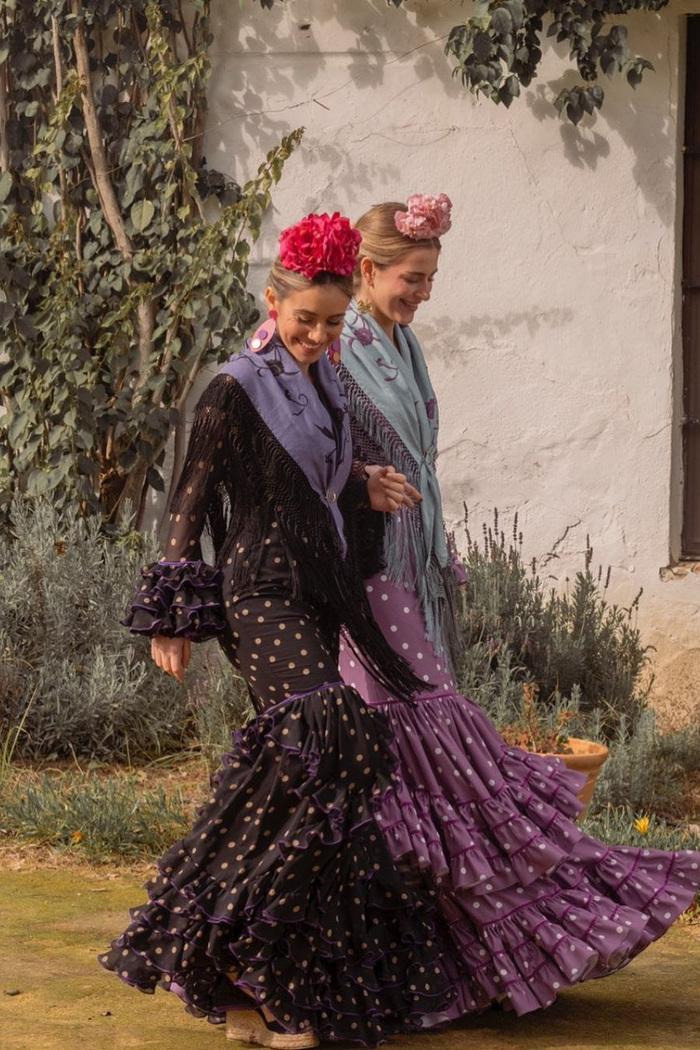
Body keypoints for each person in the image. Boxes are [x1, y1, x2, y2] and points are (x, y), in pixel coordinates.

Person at [334, 194, 700, 1019]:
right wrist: (360, 485)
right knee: (405, 761)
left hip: (416, 566)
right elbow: (313, 454)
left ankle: (458, 958)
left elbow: (418, 458)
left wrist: (438, 543)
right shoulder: (336, 346)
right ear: (367, 270)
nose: (423, 293)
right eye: (410, 279)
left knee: (435, 756)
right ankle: (402, 956)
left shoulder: (406, 343)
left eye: (430, 279)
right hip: (367, 579)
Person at [98, 212, 458, 1048]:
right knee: (322, 734)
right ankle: (227, 952)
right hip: (259, 591)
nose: (322, 336)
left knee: (314, 775)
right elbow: (189, 499)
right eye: (307, 321)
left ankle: (249, 982)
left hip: (318, 587)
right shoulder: (234, 386)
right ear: (272, 303)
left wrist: (360, 481)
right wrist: (175, 618)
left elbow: (318, 482)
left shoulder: (329, 379)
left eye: (335, 322)